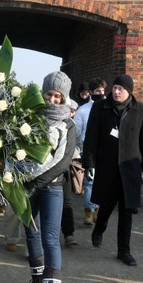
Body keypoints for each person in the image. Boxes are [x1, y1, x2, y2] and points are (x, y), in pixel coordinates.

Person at [82, 74, 143, 266]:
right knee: (106, 204)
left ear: (129, 91)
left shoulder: (141, 110)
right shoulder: (100, 108)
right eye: (114, 88)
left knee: (127, 210)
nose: (116, 91)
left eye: (121, 88)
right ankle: (99, 228)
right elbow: (91, 137)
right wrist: (88, 162)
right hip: (107, 166)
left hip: (130, 168)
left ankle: (124, 251)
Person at [23, 71, 76, 283]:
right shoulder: (29, 118)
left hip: (53, 186)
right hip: (27, 184)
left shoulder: (68, 124)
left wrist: (36, 183)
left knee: (51, 237)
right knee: (31, 230)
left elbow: (63, 161)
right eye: (49, 94)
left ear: (64, 97)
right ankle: (37, 278)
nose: (53, 99)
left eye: (58, 95)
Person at [74, 77, 107, 225]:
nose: (101, 93)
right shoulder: (83, 110)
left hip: (105, 150)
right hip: (89, 150)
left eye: (102, 90)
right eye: (97, 91)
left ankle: (96, 209)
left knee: (102, 182)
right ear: (91, 92)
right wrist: (81, 149)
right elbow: (78, 131)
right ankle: (89, 211)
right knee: (89, 182)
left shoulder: (108, 107)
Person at [61, 99, 80, 247]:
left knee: (66, 201)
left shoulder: (71, 125)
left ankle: (69, 234)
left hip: (65, 168)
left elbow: (75, 145)